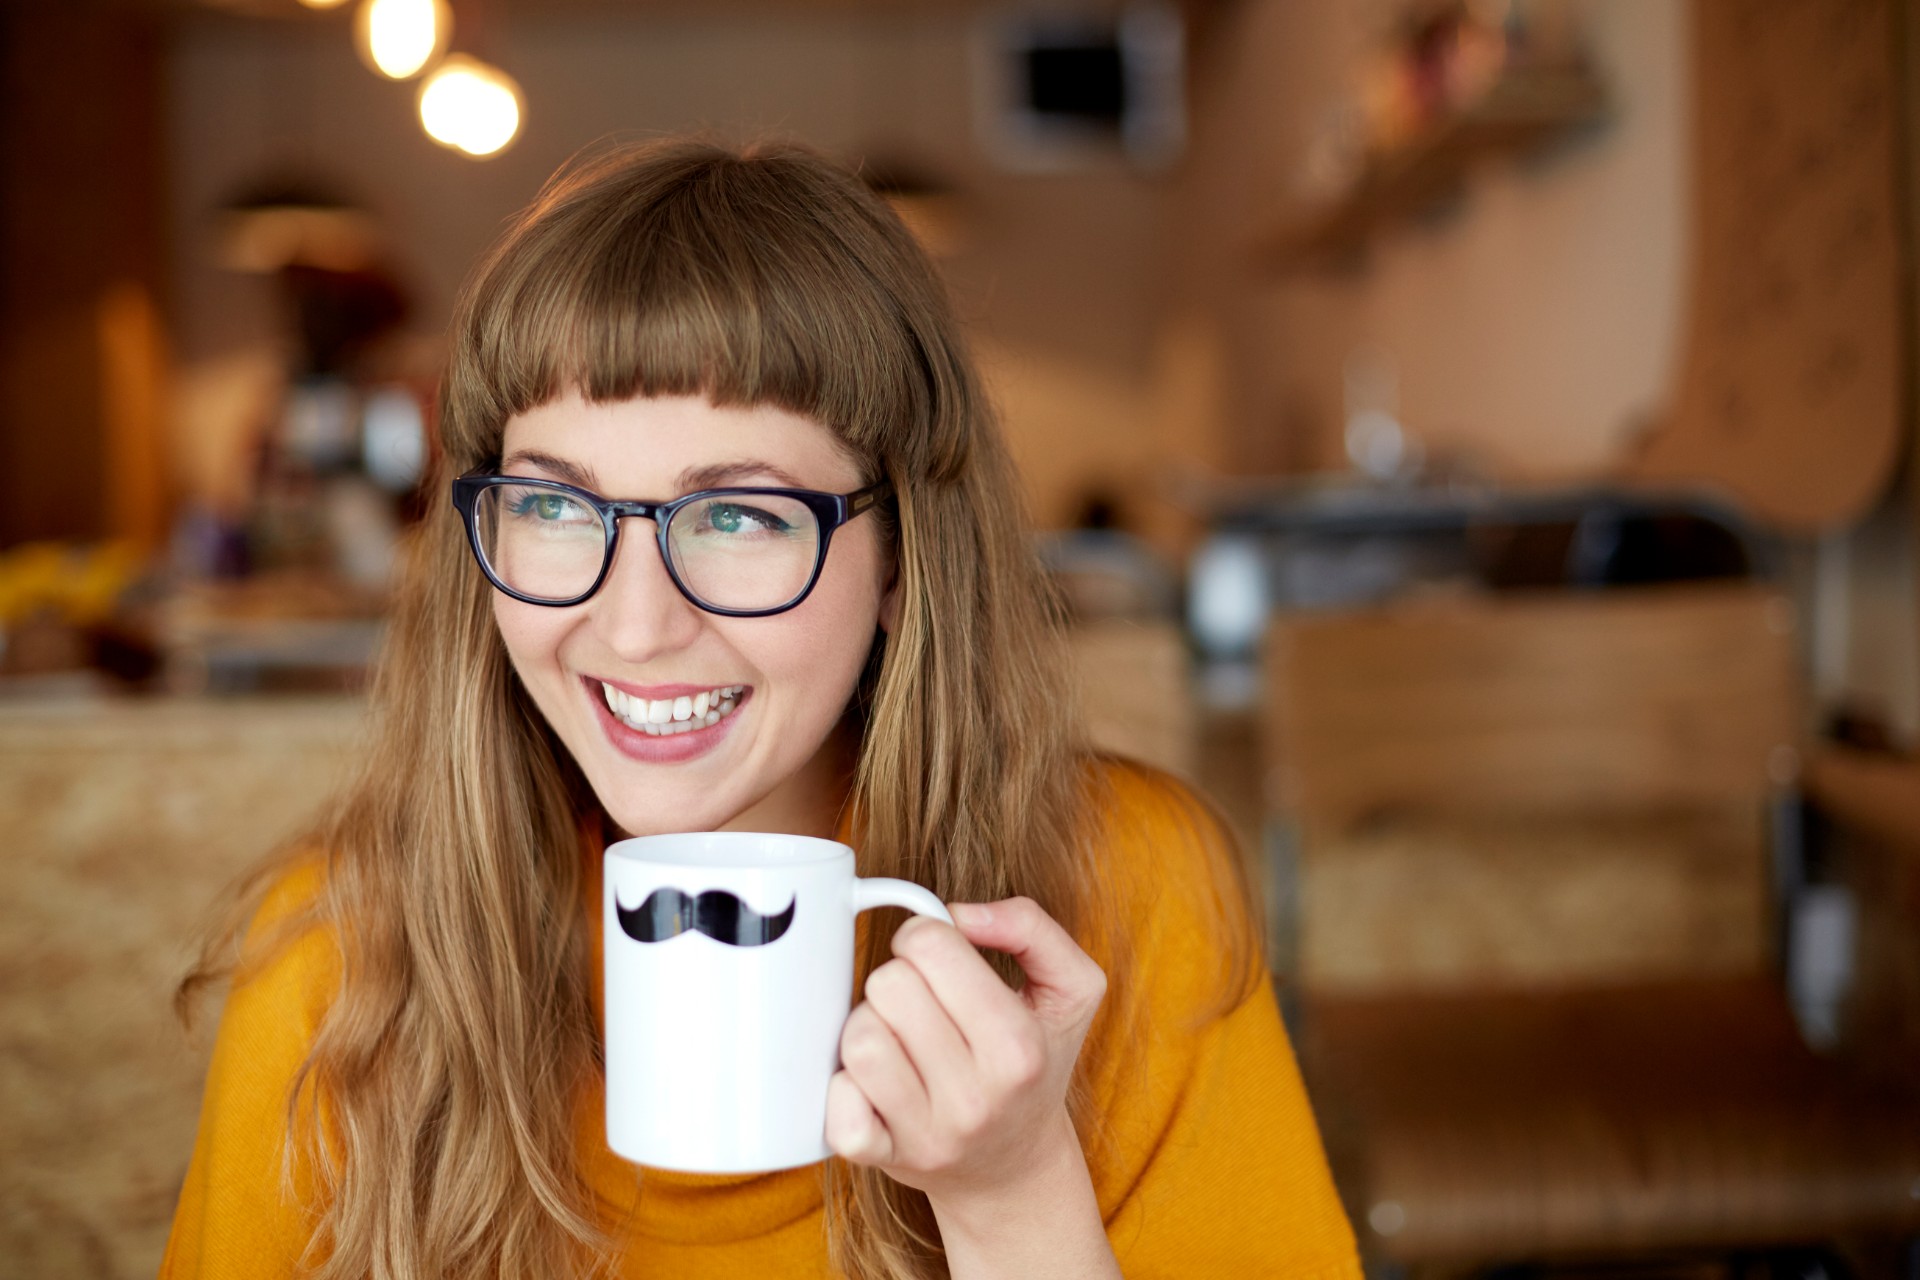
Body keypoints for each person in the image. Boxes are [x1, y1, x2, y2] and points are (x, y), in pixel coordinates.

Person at [162, 139, 1361, 1280]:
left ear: (903, 556)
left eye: (739, 516)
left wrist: (1012, 1194)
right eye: (559, 507)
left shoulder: (1131, 894)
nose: (633, 626)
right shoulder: (337, 957)